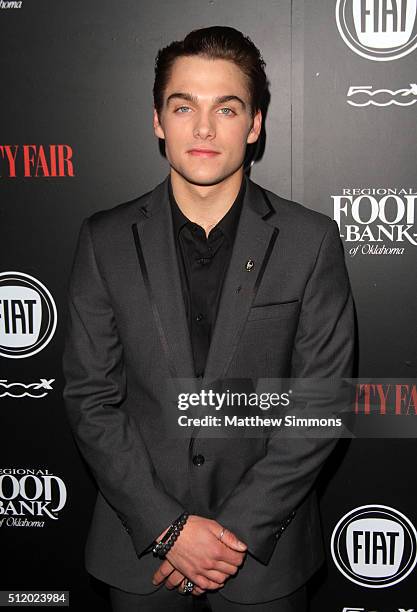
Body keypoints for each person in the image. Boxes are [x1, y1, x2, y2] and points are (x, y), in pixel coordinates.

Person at [62, 25, 355, 612]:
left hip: (262, 557)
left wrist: (230, 536)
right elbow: (91, 397)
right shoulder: (105, 240)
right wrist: (169, 530)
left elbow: (322, 402)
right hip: (140, 554)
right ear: (157, 121)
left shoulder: (310, 241)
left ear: (254, 124)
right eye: (183, 106)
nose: (202, 128)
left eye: (226, 108)